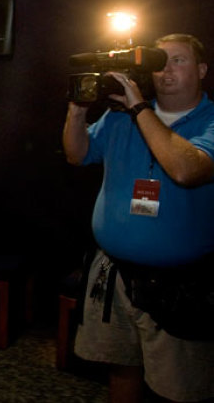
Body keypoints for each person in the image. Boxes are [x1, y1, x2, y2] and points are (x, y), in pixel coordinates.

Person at [62, 33, 214, 402]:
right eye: (160, 61)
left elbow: (186, 170)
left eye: (179, 60)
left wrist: (140, 108)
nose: (167, 69)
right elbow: (76, 154)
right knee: (121, 369)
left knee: (180, 389)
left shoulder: (207, 121)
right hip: (114, 274)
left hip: (180, 286)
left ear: (202, 69)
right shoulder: (118, 118)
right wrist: (77, 110)